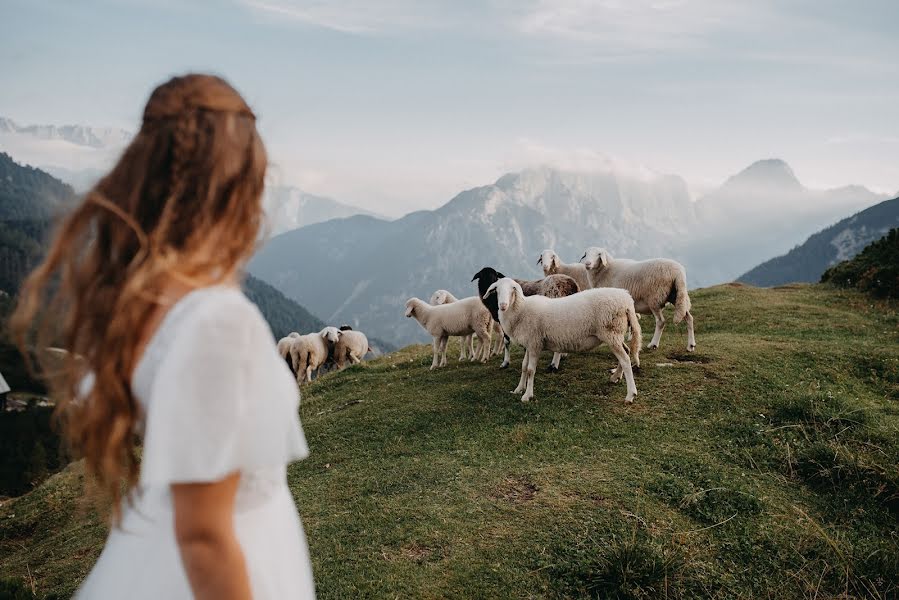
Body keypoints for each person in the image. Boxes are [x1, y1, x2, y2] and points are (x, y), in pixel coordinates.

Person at [11, 74, 315, 599]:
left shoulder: (141, 296)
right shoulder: (219, 323)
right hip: (224, 569)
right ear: (235, 189)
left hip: (151, 554)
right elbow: (204, 536)